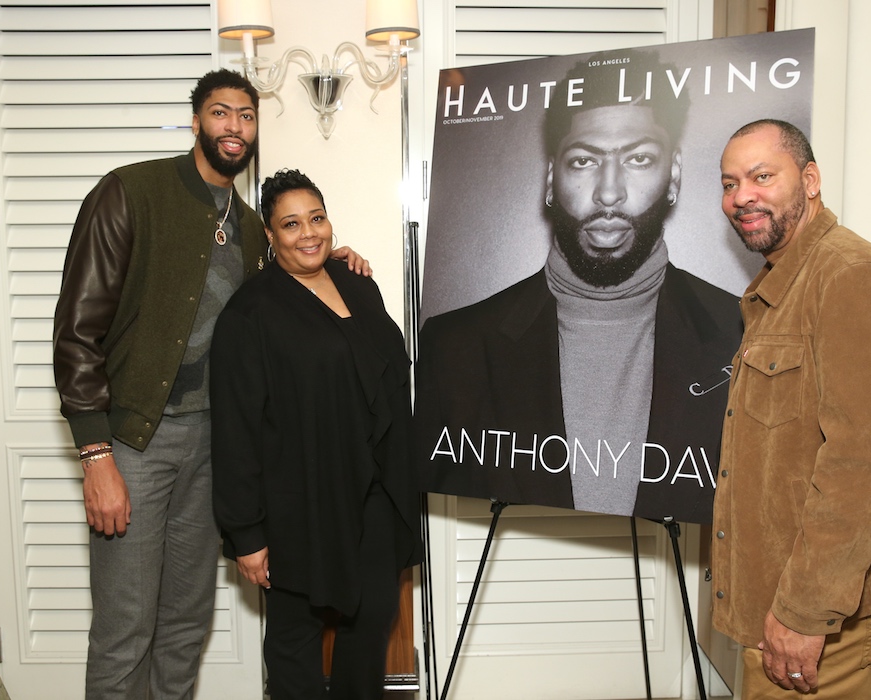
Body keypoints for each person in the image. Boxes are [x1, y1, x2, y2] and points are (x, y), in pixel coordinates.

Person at [52, 70, 370, 699]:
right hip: (134, 444)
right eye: (221, 114)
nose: (234, 127)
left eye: (246, 116)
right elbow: (76, 333)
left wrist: (327, 255)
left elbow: (277, 294)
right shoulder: (129, 194)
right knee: (125, 627)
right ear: (197, 119)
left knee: (184, 622)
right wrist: (95, 455)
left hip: (213, 449)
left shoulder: (253, 227)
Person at [416, 50, 742, 521]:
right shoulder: (455, 346)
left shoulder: (745, 336)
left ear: (673, 177)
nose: (609, 193)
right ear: (551, 179)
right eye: (585, 160)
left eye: (639, 158)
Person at [711, 119, 871, 698]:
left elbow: (863, 468)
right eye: (730, 182)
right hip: (787, 605)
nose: (743, 196)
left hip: (826, 616)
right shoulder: (786, 284)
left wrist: (803, 611)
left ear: (810, 181)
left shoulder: (854, 278)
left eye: (763, 176)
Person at [209, 170, 421, 699]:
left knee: (370, 619)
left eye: (317, 218)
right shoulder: (250, 312)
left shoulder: (357, 282)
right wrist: (247, 533)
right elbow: (234, 428)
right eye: (291, 224)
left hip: (373, 490)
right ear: (269, 235)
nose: (308, 233)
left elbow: (383, 372)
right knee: (294, 633)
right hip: (295, 500)